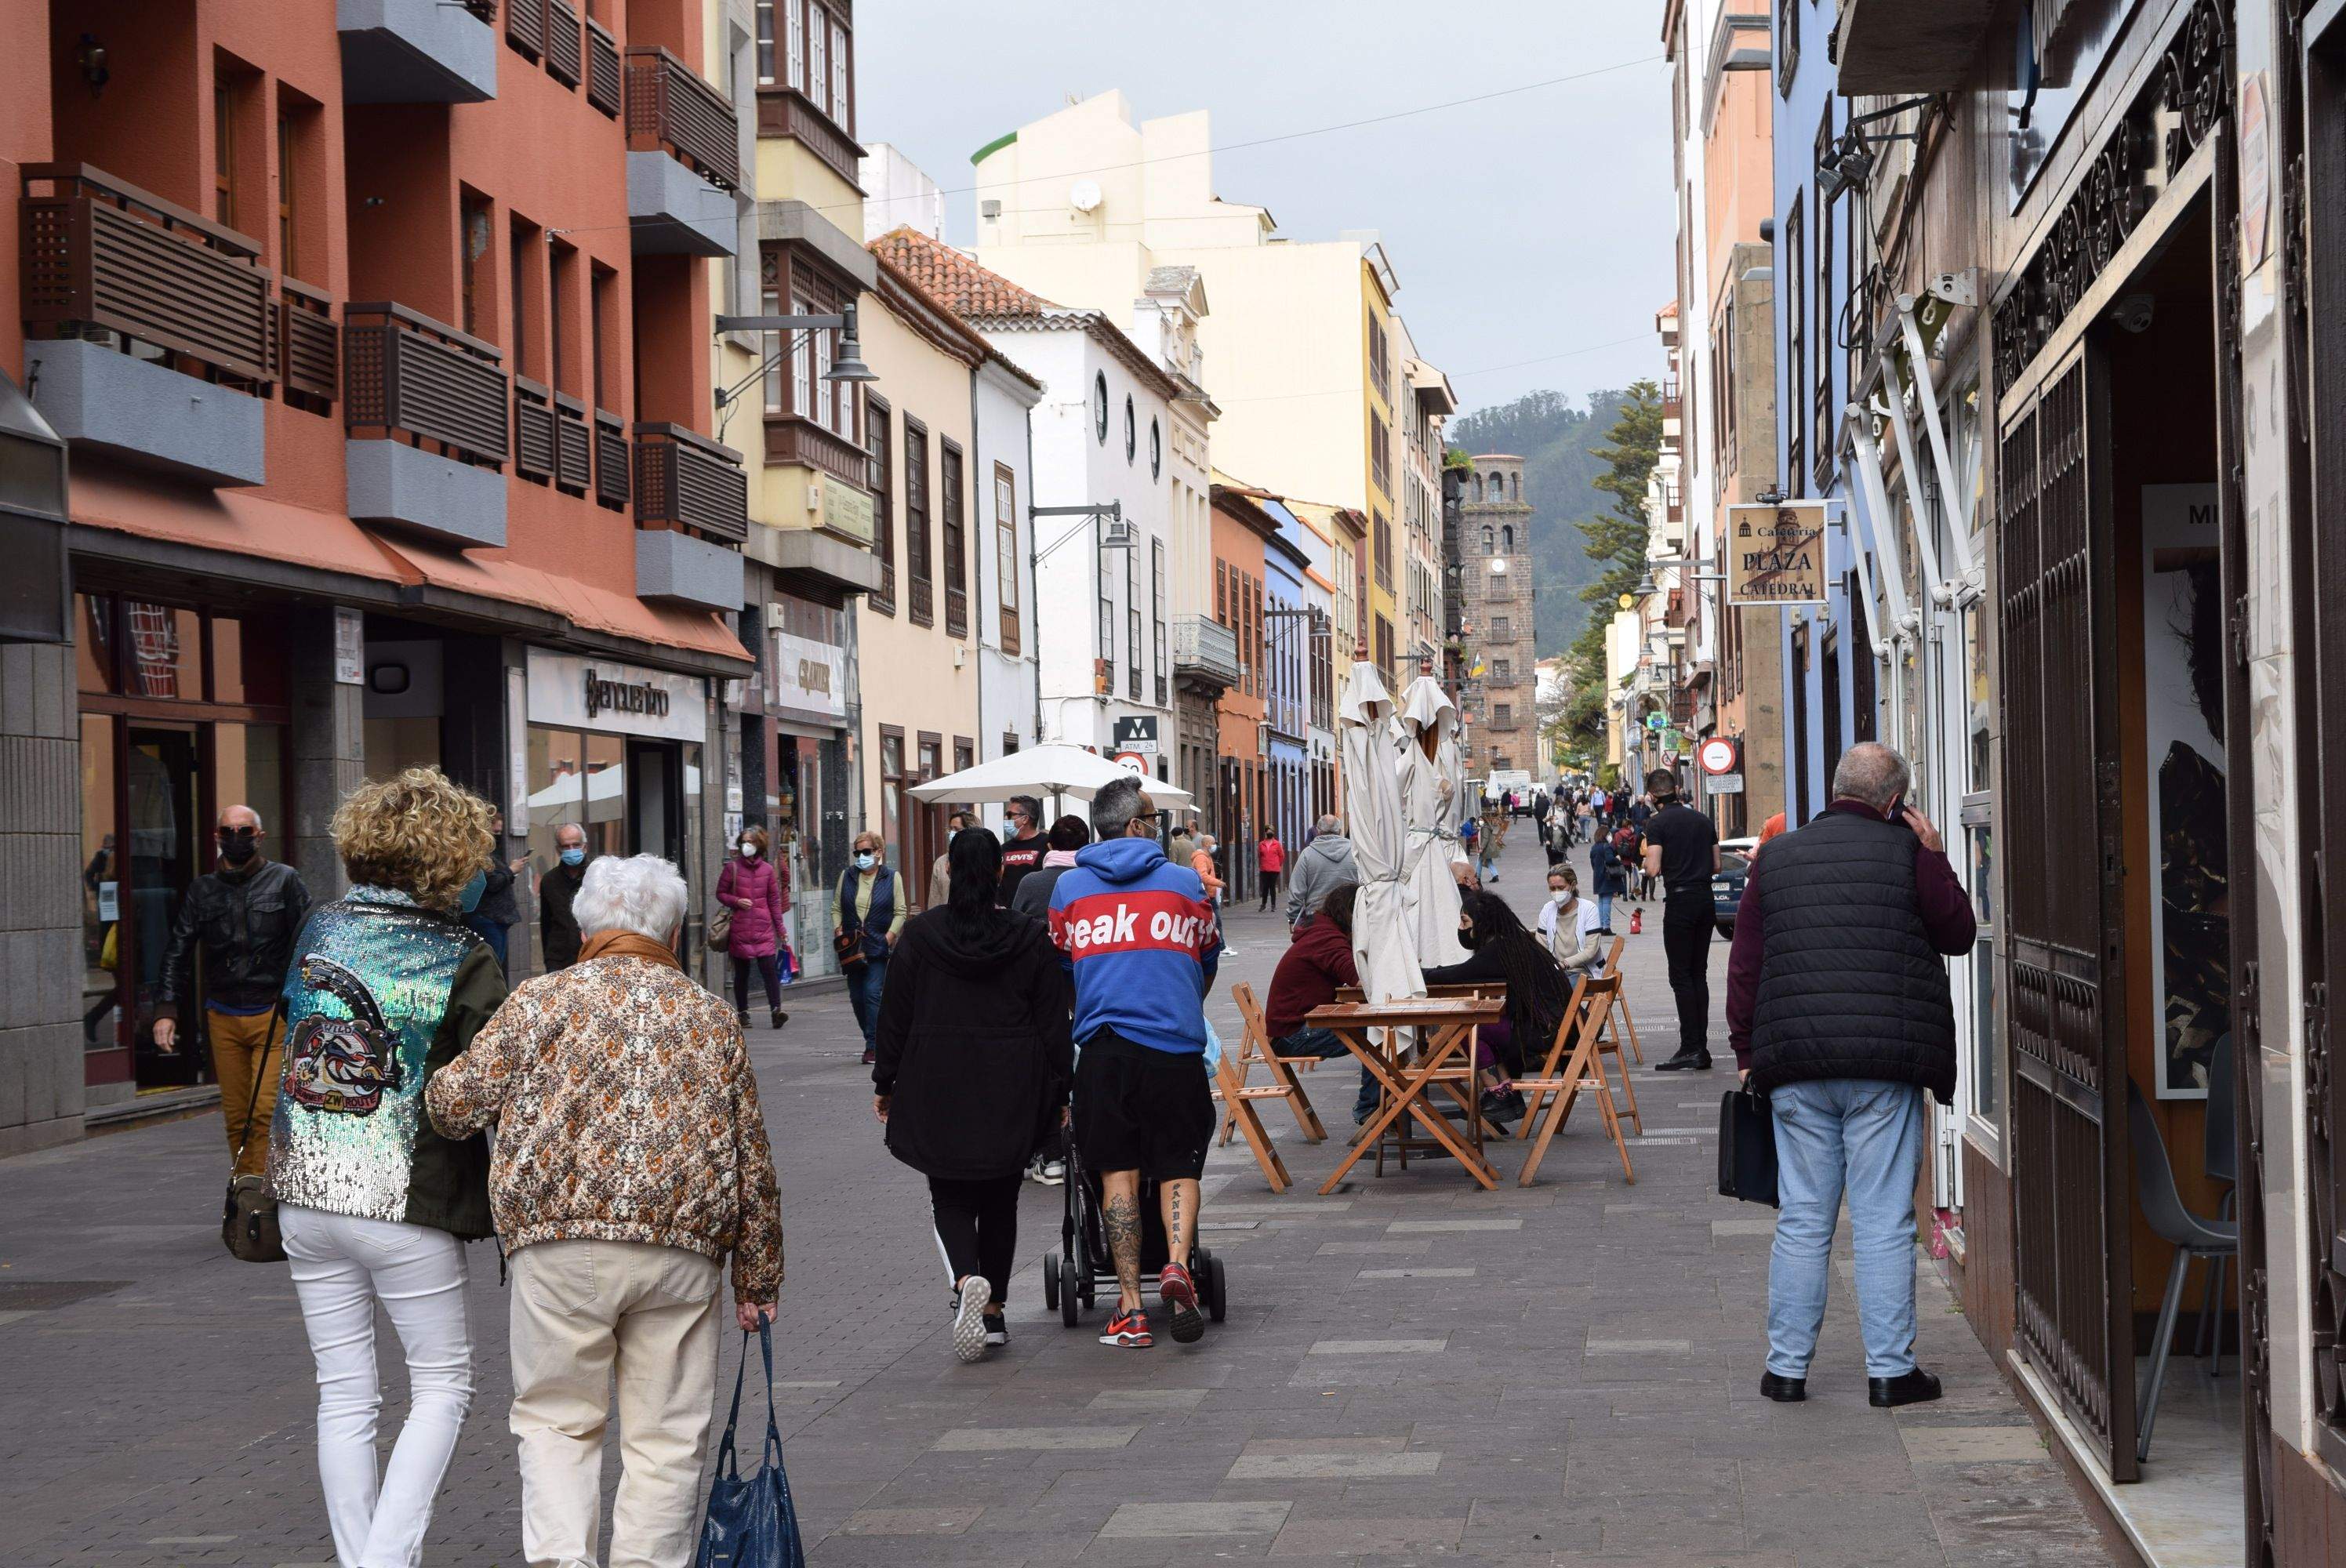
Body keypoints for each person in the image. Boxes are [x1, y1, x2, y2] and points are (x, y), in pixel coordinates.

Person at [427, 853, 784, 1567]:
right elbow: (753, 1155)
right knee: (667, 1436)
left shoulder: (539, 1001)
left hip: (559, 1244)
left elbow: (453, 1106)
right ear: (673, 932)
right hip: (682, 1249)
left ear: (586, 927)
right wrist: (758, 1276)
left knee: (556, 1420)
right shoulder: (712, 1016)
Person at [268, 768, 503, 1568]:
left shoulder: (320, 927)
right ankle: (384, 1560)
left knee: (344, 1394)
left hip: (305, 1188)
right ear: (448, 858)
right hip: (408, 1197)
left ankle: (359, 1556)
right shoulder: (461, 952)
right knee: (441, 1385)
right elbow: (494, 1074)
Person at [1727, 742, 1974, 1409]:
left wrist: (1746, 1049)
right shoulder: (1909, 853)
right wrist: (1935, 854)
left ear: (1836, 789)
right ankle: (1891, 1373)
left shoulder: (1775, 857)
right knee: (1884, 1221)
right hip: (1883, 1065)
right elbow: (1957, 934)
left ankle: (1786, 1371)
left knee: (1804, 1219)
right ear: (1895, 802)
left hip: (1794, 1062)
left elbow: (1746, 961)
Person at [873, 828, 1073, 1362]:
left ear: (950, 871)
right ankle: (995, 1312)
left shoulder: (921, 936)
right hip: (1013, 1078)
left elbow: (894, 1015)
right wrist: (1061, 1086)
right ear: (1000, 873)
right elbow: (1053, 1019)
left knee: (950, 1194)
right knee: (1001, 1198)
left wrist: (885, 1082)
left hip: (937, 1077)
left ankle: (966, 1280)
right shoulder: (1028, 937)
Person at [1048, 778, 1220, 1349]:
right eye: (1151, 818)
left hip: (1104, 1050)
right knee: (1179, 1165)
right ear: (1135, 826)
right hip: (1174, 1047)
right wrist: (1178, 1001)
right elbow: (1207, 957)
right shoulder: (1185, 883)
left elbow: (1064, 968)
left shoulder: (1068, 889)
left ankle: (1131, 1309)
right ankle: (1176, 1265)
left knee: (1116, 1172)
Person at [154, 803, 312, 1178]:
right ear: (217, 837)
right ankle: (245, 1192)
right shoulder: (203, 890)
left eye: (244, 831)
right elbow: (178, 950)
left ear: (260, 837)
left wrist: (304, 1001)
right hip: (223, 1015)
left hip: (272, 1014)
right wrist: (165, 1010)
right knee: (238, 1116)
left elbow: (309, 942)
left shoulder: (285, 880)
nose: (236, 838)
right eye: (228, 831)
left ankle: (262, 1192)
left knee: (265, 1110)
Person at [1422, 889, 1573, 1122]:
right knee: (1482, 1024)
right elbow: (1469, 970)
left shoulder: (1499, 950)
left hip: (1543, 1031)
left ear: (1481, 923)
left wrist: (1421, 974)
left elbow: (1459, 974)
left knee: (1468, 1027)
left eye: (1465, 922)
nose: (1461, 928)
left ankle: (1499, 1094)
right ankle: (1506, 1093)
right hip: (1560, 1025)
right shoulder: (1516, 942)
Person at [1262, 883, 1382, 1123]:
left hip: (1293, 1029)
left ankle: (1386, 1102)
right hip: (1292, 1036)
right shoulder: (1327, 938)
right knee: (1377, 1030)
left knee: (1376, 1026)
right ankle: (1370, 1108)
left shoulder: (1322, 931)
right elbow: (1361, 980)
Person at [1643, 771, 1723, 1072]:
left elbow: (1653, 869)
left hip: (1680, 902)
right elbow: (1717, 865)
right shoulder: (1703, 820)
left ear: (1652, 796)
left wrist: (1650, 862)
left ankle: (1690, 1047)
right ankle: (1700, 1047)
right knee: (1698, 973)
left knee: (1680, 977)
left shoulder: (1657, 824)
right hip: (1705, 900)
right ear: (1676, 790)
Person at [836, 831, 903, 1066]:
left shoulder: (891, 877)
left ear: (878, 852)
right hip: (852, 947)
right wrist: (838, 929)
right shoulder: (847, 876)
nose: (861, 857)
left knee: (872, 994)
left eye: (866, 852)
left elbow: (900, 911)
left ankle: (873, 1046)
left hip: (877, 945)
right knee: (857, 997)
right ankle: (872, 1036)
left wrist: (889, 936)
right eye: (857, 853)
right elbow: (836, 907)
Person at [718, 825, 791, 1030]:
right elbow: (720, 893)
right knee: (742, 974)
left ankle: (776, 1011)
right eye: (743, 842)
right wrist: (736, 901)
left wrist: (781, 929)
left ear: (759, 845)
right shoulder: (732, 868)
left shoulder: (767, 870)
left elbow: (774, 901)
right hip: (740, 928)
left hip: (763, 928)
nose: (746, 845)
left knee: (770, 972)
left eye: (750, 842)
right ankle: (743, 1013)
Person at [464, 809, 524, 977]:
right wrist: (511, 871)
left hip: (496, 918)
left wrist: (509, 872)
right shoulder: (479, 854)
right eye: (495, 832)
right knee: (491, 967)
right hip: (488, 917)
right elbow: (492, 883)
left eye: (499, 833)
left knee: (495, 964)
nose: (497, 837)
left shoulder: (488, 854)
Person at [1011, 814, 1091, 920]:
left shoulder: (1030, 883)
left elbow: (1015, 922)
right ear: (1087, 846)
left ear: (1049, 847)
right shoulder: (1095, 880)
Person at [1285, 813, 1358, 929]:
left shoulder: (1307, 855)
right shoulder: (1354, 852)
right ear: (1340, 831)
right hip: (1349, 918)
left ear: (1319, 831)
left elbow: (1296, 891)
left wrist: (1293, 918)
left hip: (1316, 919)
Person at [539, 822, 590, 971]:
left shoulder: (597, 876)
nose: (571, 850)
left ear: (585, 847)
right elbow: (546, 923)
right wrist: (548, 958)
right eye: (566, 846)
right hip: (558, 959)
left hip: (591, 956)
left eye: (576, 845)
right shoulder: (549, 880)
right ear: (558, 850)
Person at [1538, 864, 1603, 975]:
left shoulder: (1589, 909)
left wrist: (1564, 964)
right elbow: (1541, 946)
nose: (1556, 892)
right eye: (1552, 888)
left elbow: (1591, 949)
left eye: (1561, 888)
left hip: (1583, 971)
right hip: (1555, 972)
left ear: (1573, 885)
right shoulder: (1547, 909)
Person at [997, 795, 1048, 909]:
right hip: (1008, 913)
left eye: (1010, 815)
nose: (1006, 818)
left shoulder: (1048, 844)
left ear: (1025, 819)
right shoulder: (1003, 848)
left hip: (1036, 914)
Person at [928, 809, 976, 910]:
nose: (952, 833)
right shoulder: (941, 863)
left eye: (957, 829)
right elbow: (934, 899)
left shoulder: (980, 859)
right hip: (946, 916)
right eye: (950, 829)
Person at [1588, 826, 1625, 935]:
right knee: (1607, 902)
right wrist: (1617, 859)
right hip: (1607, 877)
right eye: (1609, 834)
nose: (1610, 836)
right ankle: (1606, 927)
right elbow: (1609, 859)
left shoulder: (1594, 847)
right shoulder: (1607, 846)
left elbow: (1593, 863)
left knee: (1601, 902)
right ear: (1605, 835)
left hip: (1598, 877)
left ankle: (1601, 926)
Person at [1256, 829, 1286, 913]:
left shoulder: (1277, 844)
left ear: (1273, 833)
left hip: (1274, 869)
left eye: (1271, 832)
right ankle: (1263, 904)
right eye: (1268, 832)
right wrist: (1262, 864)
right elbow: (1259, 855)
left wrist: (1278, 864)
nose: (1270, 833)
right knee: (1265, 887)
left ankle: (1273, 905)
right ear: (1266, 833)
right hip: (1264, 869)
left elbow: (1281, 856)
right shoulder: (1261, 844)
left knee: (1272, 887)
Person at [1191, 831, 1225, 905]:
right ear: (1207, 844)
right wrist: (1218, 883)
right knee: (1215, 912)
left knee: (1215, 912)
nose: (1215, 846)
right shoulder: (1201, 858)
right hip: (1205, 895)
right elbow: (1203, 876)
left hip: (1210, 894)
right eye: (1214, 843)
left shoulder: (1208, 857)